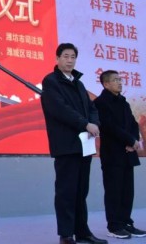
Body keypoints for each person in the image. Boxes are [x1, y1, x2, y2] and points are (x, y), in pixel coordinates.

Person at [40, 43, 107, 244]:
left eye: (73, 57)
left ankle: (82, 232)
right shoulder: (51, 81)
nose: (70, 60)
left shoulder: (79, 84)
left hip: (84, 145)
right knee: (66, 192)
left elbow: (91, 108)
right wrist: (85, 124)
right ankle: (66, 234)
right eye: (66, 56)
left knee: (81, 191)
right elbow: (60, 110)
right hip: (65, 145)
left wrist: (94, 123)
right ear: (57, 59)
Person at [94, 70, 146, 239]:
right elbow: (109, 126)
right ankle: (114, 226)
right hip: (112, 154)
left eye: (120, 79)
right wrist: (129, 140)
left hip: (128, 153)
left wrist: (133, 141)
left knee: (127, 191)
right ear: (106, 84)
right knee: (114, 191)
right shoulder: (100, 103)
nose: (120, 82)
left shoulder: (123, 102)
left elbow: (133, 123)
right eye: (115, 80)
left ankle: (126, 223)